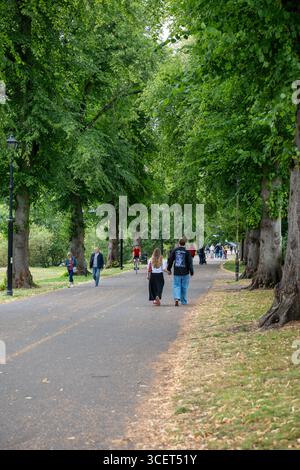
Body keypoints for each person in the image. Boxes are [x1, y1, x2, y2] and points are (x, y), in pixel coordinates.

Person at [167, 238, 194, 306]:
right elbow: (190, 262)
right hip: (185, 272)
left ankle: (176, 298)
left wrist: (169, 268)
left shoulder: (175, 250)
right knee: (184, 286)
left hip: (177, 271)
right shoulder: (187, 251)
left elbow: (170, 260)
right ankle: (184, 301)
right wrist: (191, 271)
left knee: (176, 285)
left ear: (179, 243)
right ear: (185, 243)